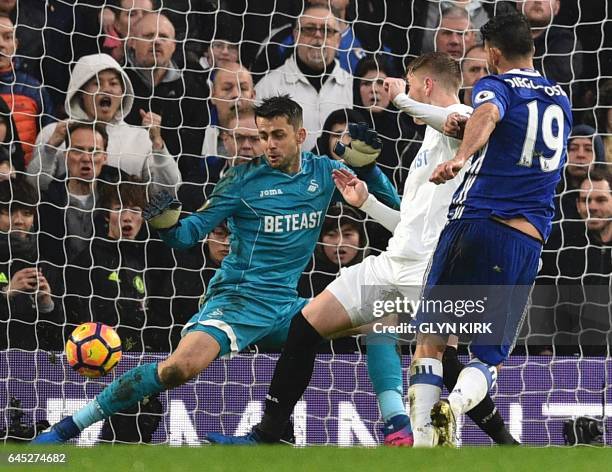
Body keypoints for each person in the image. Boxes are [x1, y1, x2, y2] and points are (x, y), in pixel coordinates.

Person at [32, 95, 404, 445]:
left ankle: (396, 424)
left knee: (379, 313)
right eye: (263, 136)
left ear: (301, 136)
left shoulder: (325, 173)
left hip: (288, 307)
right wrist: (166, 226)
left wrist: (369, 170)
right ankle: (65, 430)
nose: (268, 144)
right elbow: (188, 235)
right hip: (237, 302)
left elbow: (393, 208)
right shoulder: (241, 181)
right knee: (177, 369)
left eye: (277, 135)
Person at [205, 51, 518, 447]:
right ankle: (272, 433)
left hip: (430, 268)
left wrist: (401, 99)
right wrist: (366, 203)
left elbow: (471, 125)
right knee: (306, 325)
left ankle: (502, 441)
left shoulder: (458, 117)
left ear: (424, 84)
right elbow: (410, 224)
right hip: (392, 263)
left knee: (445, 359)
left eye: (409, 81)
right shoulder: (428, 141)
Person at [28, 53, 180, 193]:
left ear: (123, 93)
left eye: (113, 84)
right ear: (80, 92)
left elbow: (169, 192)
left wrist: (158, 146)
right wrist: (50, 149)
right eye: (97, 83)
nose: (106, 90)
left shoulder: (141, 138)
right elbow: (34, 189)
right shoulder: (53, 133)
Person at [124, 11, 210, 182]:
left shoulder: (192, 91)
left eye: (163, 37)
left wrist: (161, 134)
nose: (156, 41)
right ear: (132, 42)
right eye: (148, 35)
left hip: (175, 184)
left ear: (174, 45)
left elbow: (192, 153)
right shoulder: (116, 82)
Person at [255, 4, 353, 151]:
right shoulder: (269, 86)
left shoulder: (353, 86)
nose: (318, 36)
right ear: (296, 36)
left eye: (327, 30)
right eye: (310, 29)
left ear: (338, 40)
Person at [0, 178, 63, 351]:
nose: (19, 221)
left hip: (37, 370)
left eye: (27, 213)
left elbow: (57, 341)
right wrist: (7, 293)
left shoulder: (46, 268)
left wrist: (47, 306)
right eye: (9, 211)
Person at [0, 14, 55, 164]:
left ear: (16, 44)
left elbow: (49, 136)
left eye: (7, 37)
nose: (1, 44)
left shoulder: (34, 89)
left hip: (24, 181)